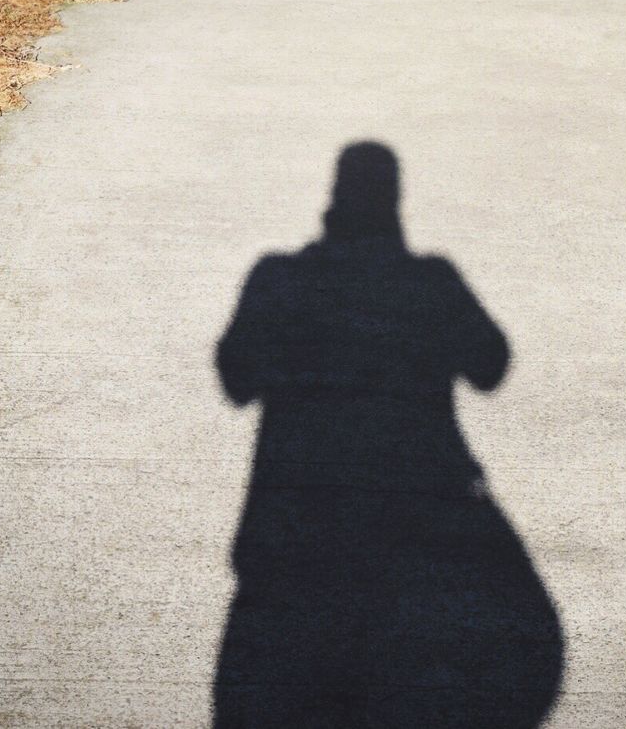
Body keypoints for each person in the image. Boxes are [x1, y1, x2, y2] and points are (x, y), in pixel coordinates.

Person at [213, 141, 563, 728]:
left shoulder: (277, 275)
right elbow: (490, 366)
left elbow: (237, 379)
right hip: (419, 502)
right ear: (395, 203)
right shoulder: (434, 279)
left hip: (292, 516)